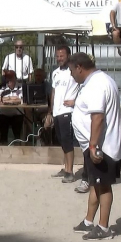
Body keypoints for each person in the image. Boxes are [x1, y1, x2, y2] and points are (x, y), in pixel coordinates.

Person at [69, 52, 121, 240]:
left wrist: (93, 146)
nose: (71, 75)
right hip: (98, 145)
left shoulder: (97, 85)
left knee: (104, 186)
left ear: (79, 67)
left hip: (103, 146)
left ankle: (104, 227)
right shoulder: (100, 81)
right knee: (95, 184)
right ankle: (89, 221)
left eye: (71, 70)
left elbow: (98, 117)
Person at [48, 45, 80, 183]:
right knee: (61, 141)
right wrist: (50, 111)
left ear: (68, 56)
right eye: (57, 56)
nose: (59, 58)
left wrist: (75, 101)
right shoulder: (55, 73)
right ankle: (66, 167)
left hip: (68, 111)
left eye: (62, 56)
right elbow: (53, 92)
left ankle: (70, 171)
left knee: (67, 141)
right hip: (57, 111)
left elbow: (83, 87)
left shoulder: (73, 71)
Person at [0, 70, 24, 144]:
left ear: (15, 78)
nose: (9, 80)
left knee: (17, 134)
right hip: (4, 114)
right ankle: (3, 148)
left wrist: (5, 100)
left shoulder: (21, 87)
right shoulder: (2, 88)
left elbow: (20, 100)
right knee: (2, 130)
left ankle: (18, 148)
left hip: (17, 114)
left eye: (11, 78)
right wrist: (10, 99)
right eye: (7, 78)